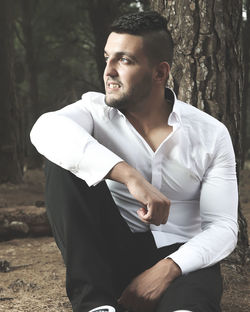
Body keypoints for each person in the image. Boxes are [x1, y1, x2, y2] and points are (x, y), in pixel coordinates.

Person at [30, 11, 238, 312]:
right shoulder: (93, 111)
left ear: (159, 73)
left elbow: (223, 227)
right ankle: (95, 306)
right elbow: (45, 129)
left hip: (183, 262)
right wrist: (129, 176)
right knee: (62, 160)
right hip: (110, 257)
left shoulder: (211, 134)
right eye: (107, 58)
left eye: (124, 60)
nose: (108, 71)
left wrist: (167, 268)